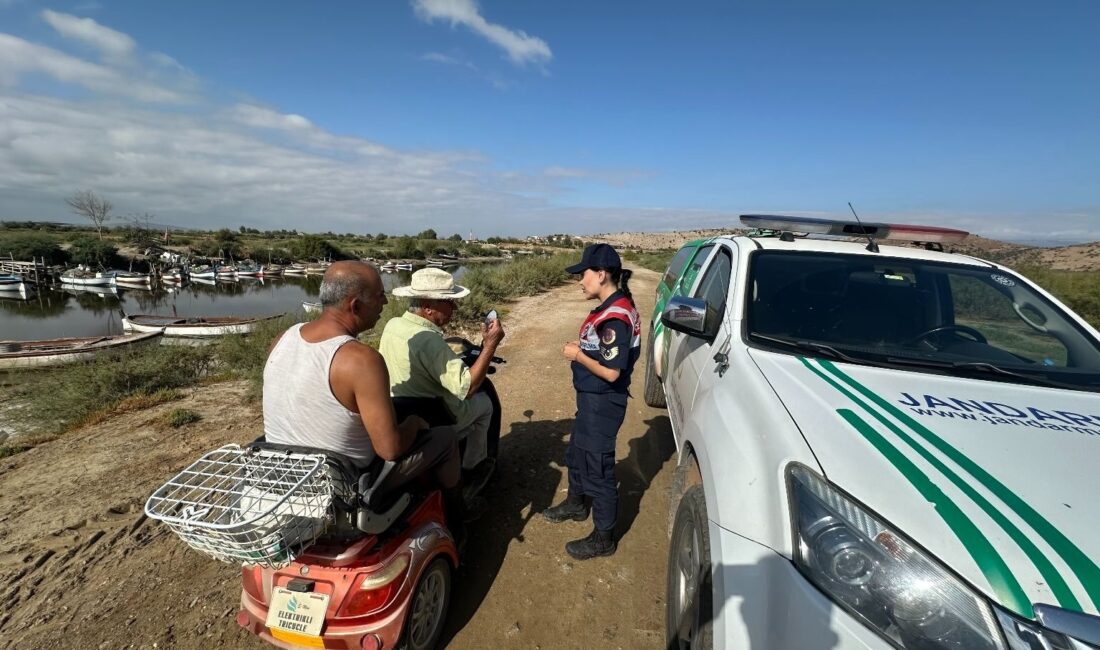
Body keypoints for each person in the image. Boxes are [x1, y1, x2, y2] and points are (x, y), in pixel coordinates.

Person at [262, 261, 473, 538]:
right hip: (345, 484)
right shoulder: (361, 360)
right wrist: (414, 423)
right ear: (355, 306)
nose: (385, 302)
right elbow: (390, 449)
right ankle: (459, 525)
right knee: (445, 438)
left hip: (284, 474)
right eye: (379, 295)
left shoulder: (282, 338)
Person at [543, 243, 640, 560]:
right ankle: (575, 504)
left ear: (601, 274)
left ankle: (604, 537)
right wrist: (583, 348)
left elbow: (612, 373)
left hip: (604, 403)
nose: (579, 281)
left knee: (598, 467)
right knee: (578, 453)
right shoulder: (607, 307)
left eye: (582, 274)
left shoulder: (615, 316)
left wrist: (578, 355)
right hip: (590, 401)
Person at [379, 267, 504, 494]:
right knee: (485, 404)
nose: (454, 307)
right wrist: (490, 345)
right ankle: (473, 468)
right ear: (428, 307)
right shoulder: (430, 341)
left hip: (402, 411)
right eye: (449, 302)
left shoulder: (393, 325)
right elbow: (468, 387)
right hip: (438, 417)